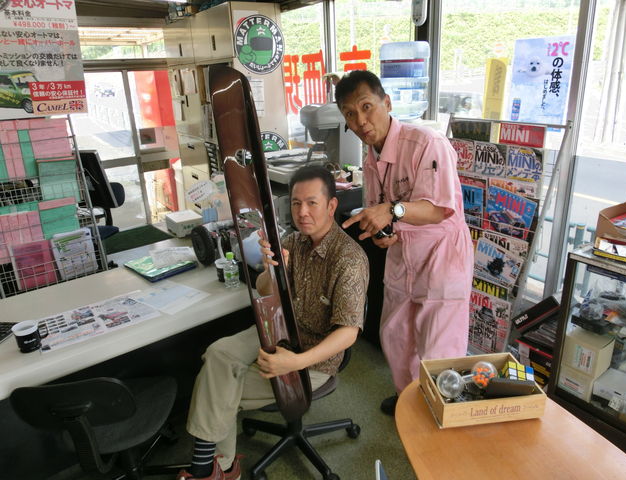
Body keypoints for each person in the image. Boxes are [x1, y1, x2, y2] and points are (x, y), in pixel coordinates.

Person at [178, 165, 369, 480]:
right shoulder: (293, 241)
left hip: (314, 357)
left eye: (312, 203)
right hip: (279, 330)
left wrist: (296, 362)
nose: (302, 212)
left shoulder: (348, 259)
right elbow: (266, 292)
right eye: (296, 203)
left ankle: (214, 468)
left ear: (331, 205)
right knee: (218, 354)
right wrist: (271, 270)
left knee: (221, 390)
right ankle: (217, 466)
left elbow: (348, 333)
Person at [337, 70, 473, 416]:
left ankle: (440, 414)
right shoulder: (371, 159)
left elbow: (439, 209)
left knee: (438, 347)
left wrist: (391, 210)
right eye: (350, 114)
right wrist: (383, 233)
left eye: (366, 107)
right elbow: (383, 212)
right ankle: (409, 398)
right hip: (403, 255)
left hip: (440, 255)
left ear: (386, 102)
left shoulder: (426, 143)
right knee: (396, 337)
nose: (360, 121)